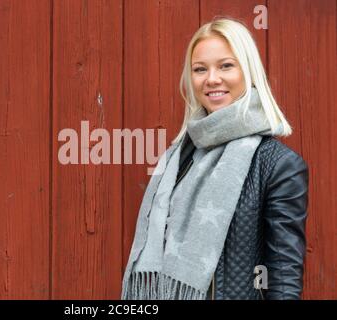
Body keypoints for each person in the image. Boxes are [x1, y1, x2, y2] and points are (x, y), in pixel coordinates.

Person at [121, 17, 309, 300]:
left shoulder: (278, 165)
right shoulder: (177, 160)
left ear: (248, 72)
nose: (211, 79)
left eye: (226, 66)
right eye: (200, 69)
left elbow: (282, 277)